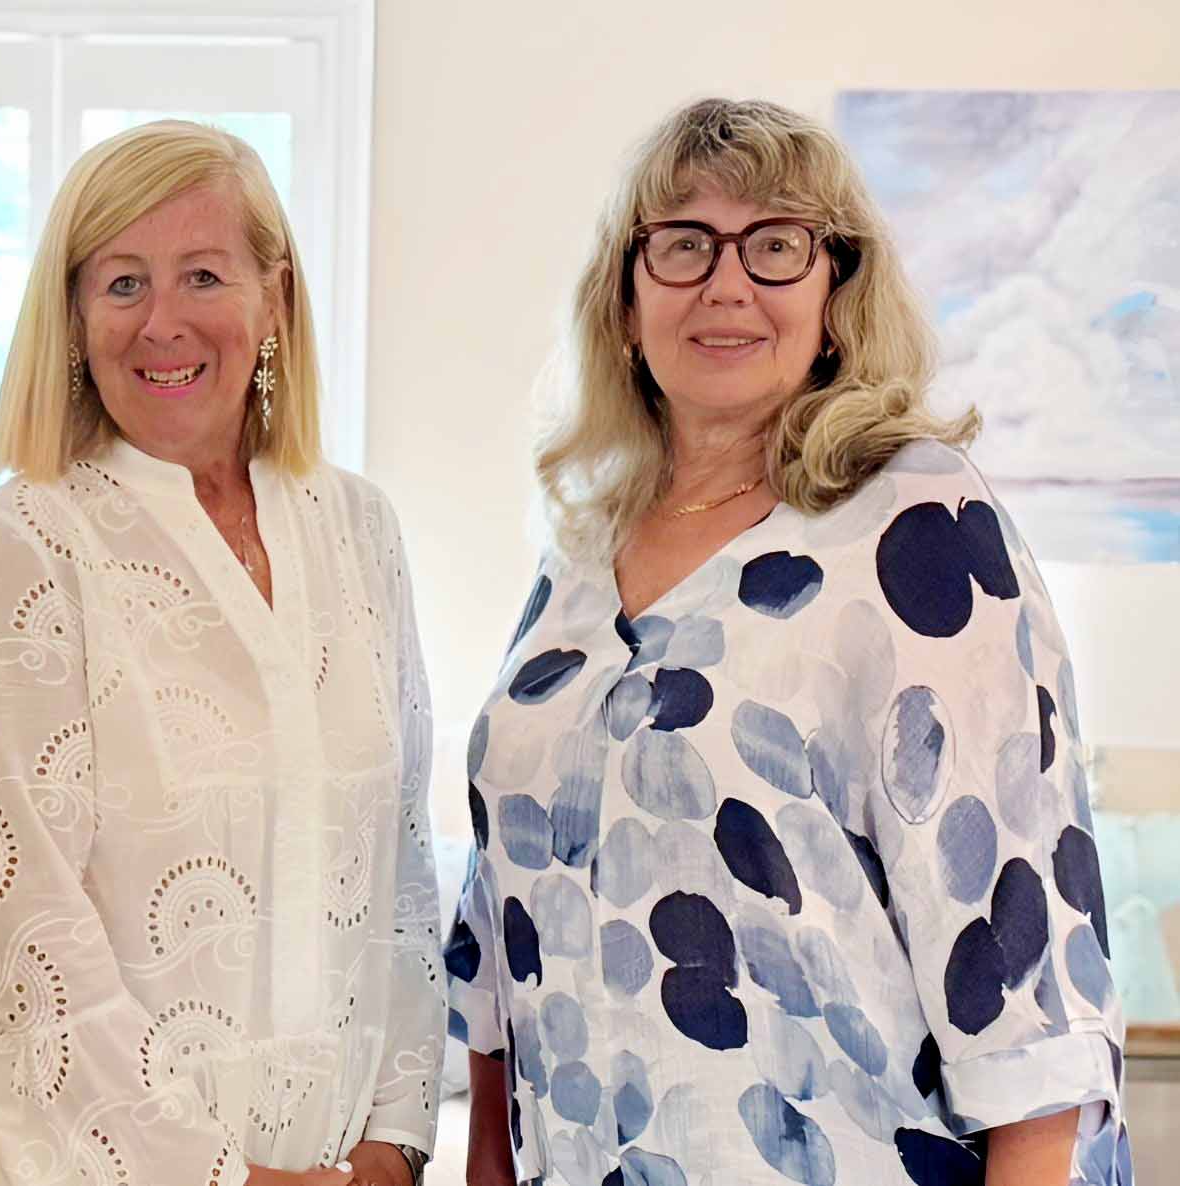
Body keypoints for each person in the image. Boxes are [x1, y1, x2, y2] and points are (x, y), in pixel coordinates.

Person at [450, 98, 1131, 1186]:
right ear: (624, 302)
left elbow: (1024, 957)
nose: (726, 284)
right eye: (682, 244)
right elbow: (498, 915)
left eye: (774, 245)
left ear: (835, 295)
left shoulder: (917, 522)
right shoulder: (581, 546)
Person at [0, 120, 443, 1186]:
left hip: (341, 1161)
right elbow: (30, 942)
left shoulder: (359, 529)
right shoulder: (23, 543)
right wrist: (230, 1182)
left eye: (202, 274)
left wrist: (397, 1141)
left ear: (273, 300)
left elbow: (400, 867)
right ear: (74, 319)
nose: (161, 322)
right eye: (122, 283)